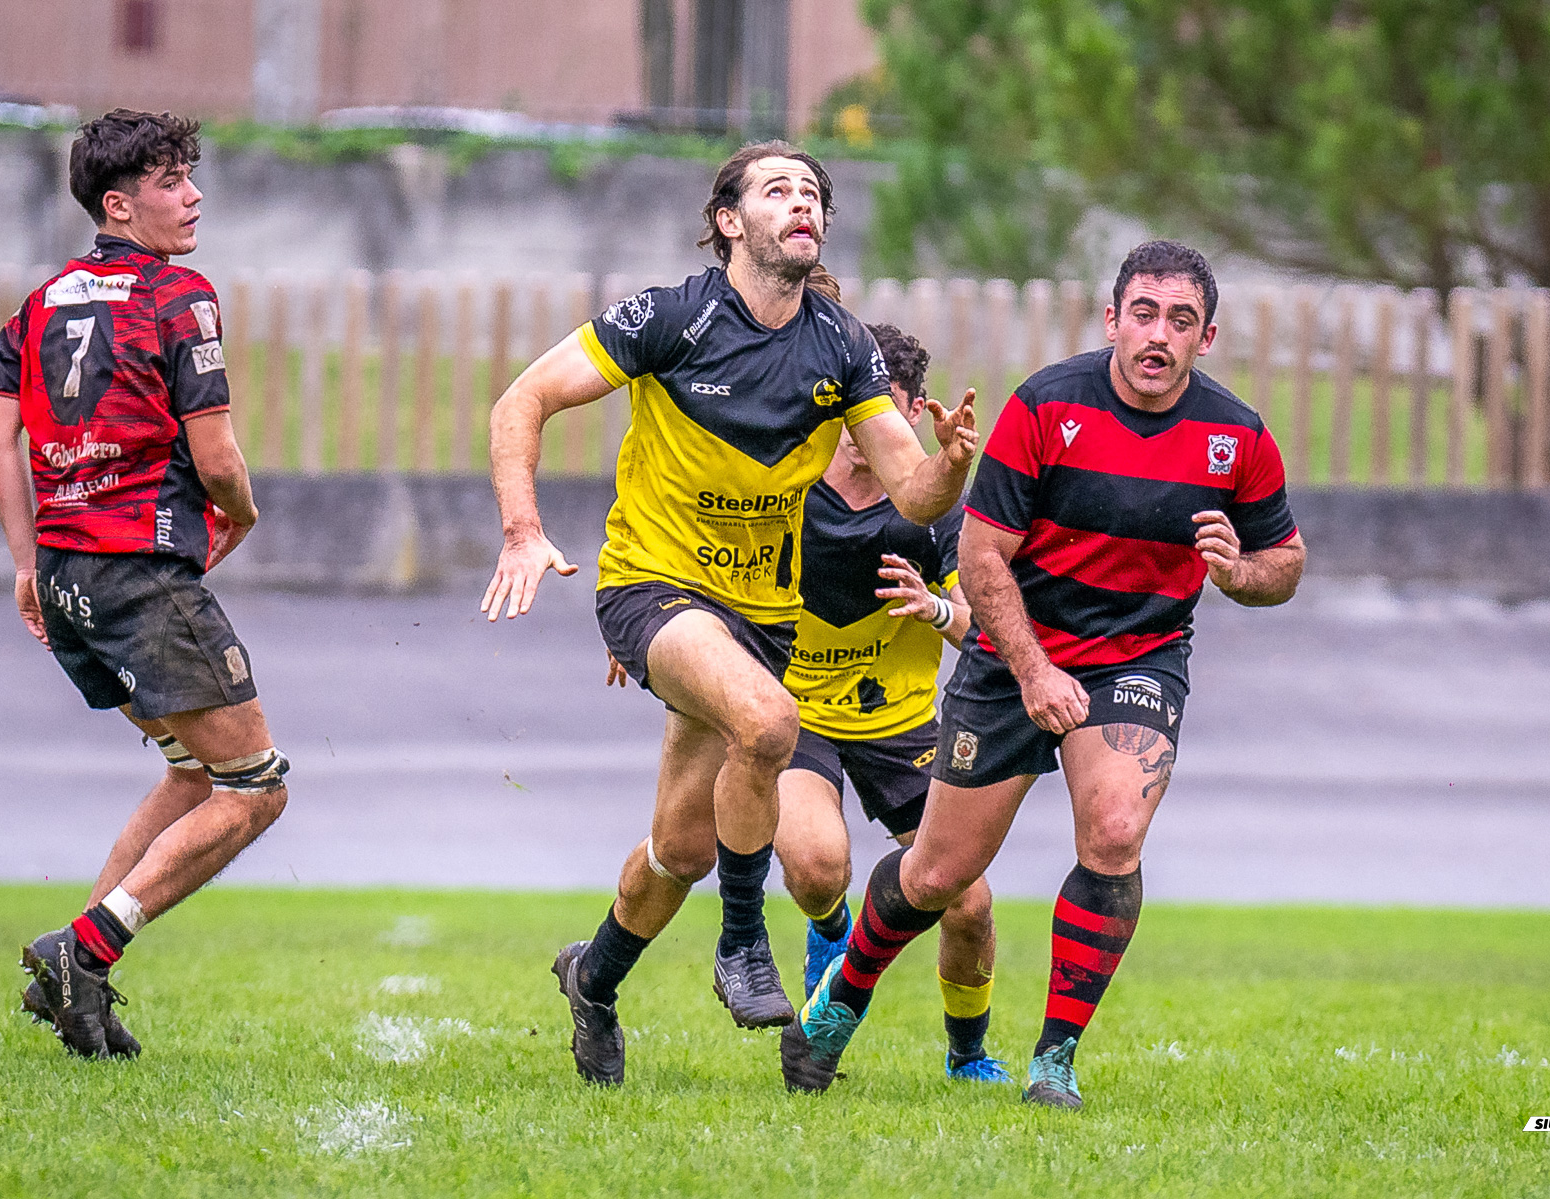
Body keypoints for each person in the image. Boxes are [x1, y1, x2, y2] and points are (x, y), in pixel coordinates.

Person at [481, 140, 976, 1086]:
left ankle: (593, 977)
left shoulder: (841, 343)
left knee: (678, 847)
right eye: (777, 188)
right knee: (770, 720)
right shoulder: (672, 318)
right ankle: (745, 941)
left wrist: (947, 463)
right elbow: (524, 399)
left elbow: (910, 492)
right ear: (728, 221)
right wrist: (520, 527)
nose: (802, 202)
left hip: (758, 618)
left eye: (814, 193)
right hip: (652, 587)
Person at [783, 241, 1306, 1108]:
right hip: (1013, 652)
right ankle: (841, 1001)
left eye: (1181, 321)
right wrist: (1031, 670)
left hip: (1139, 658)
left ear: (1206, 337)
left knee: (1112, 833)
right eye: (1143, 313)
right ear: (1112, 318)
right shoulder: (1045, 405)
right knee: (938, 875)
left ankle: (1053, 1059)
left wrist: (1238, 570)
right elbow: (983, 557)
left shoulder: (1238, 436)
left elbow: (1283, 561)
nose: (1158, 336)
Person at [0, 109, 288, 1059]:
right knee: (255, 788)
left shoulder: (37, 304)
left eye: (191, 175)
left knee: (192, 771)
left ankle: (71, 973)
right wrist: (243, 508)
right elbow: (218, 453)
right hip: (139, 575)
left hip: (70, 577)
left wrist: (28, 563)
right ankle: (84, 947)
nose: (193, 195)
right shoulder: (178, 297)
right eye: (169, 181)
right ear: (119, 204)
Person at [772, 321, 1007, 1084]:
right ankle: (830, 931)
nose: (853, 430)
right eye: (843, 408)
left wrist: (937, 610)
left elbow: (993, 630)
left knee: (968, 904)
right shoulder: (785, 483)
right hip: (799, 714)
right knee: (815, 866)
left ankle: (967, 1055)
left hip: (902, 723)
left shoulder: (936, 510)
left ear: (907, 413)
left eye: (872, 408)